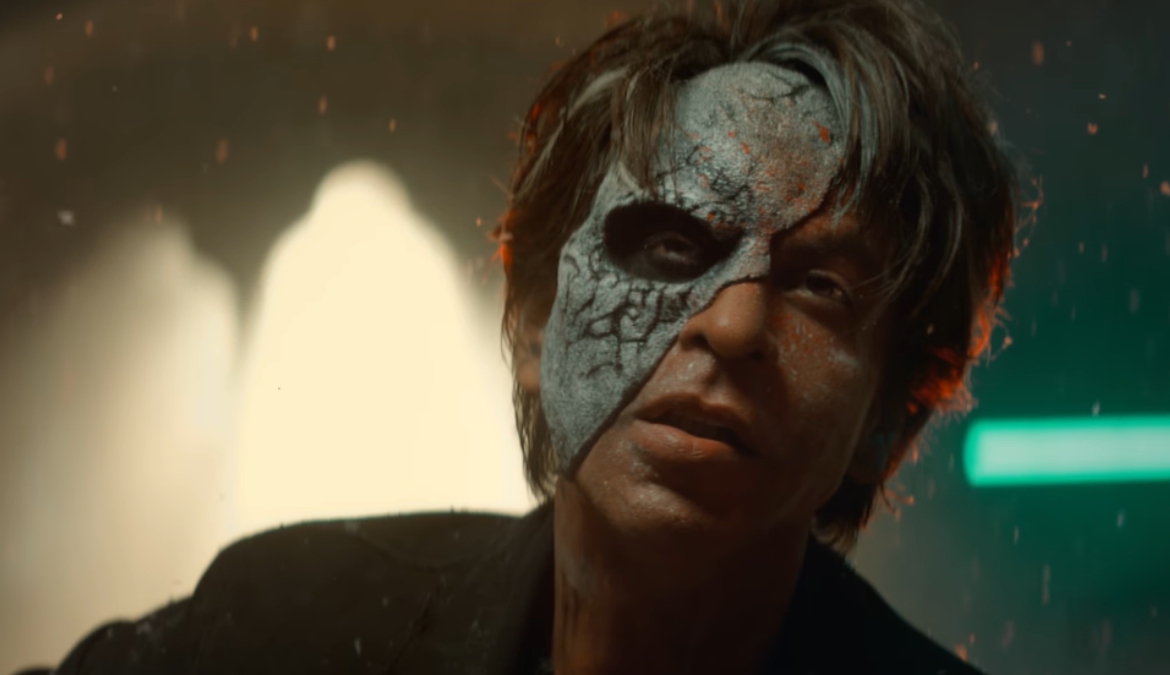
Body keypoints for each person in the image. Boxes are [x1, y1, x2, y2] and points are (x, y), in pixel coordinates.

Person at [20, 0, 1020, 673]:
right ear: (536, 323)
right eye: (671, 244)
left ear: (889, 414)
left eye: (823, 287)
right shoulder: (285, 624)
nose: (734, 322)